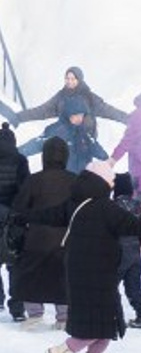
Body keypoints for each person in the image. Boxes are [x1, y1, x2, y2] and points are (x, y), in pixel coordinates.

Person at [18, 159, 141, 353]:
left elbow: (49, 215)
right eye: (111, 181)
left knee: (108, 319)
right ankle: (61, 352)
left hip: (82, 270)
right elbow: (136, 225)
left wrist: (23, 216)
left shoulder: (75, 204)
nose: (113, 185)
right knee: (98, 320)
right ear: (103, 182)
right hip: (98, 272)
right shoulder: (106, 208)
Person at [8, 136, 77, 327]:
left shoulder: (34, 180)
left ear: (44, 156)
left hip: (36, 239)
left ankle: (34, 314)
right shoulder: (75, 180)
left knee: (30, 275)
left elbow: (19, 208)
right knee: (63, 276)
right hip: (66, 240)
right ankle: (64, 317)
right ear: (66, 156)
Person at [8, 65, 128, 142]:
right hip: (66, 140)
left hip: (85, 142)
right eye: (67, 78)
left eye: (73, 79)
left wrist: (129, 119)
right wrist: (19, 117)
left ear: (79, 80)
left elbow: (108, 110)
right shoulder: (61, 97)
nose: (69, 81)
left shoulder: (89, 97)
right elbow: (42, 110)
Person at [19, 95, 108, 174]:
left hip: (81, 180)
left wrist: (107, 160)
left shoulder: (84, 133)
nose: (79, 118)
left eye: (81, 115)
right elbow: (38, 143)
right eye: (75, 115)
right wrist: (16, 153)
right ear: (68, 114)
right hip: (63, 180)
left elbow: (96, 148)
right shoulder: (57, 130)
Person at [0, 122, 31, 322]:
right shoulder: (20, 160)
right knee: (15, 262)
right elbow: (25, 189)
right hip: (14, 217)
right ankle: (17, 308)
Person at [111, 173, 141, 329]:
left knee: (110, 286)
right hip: (135, 254)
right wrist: (138, 242)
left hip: (116, 254)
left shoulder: (111, 206)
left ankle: (115, 317)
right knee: (134, 287)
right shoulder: (138, 206)